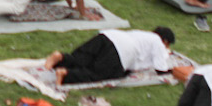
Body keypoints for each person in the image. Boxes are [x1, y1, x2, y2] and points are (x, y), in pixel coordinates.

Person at [44, 27, 176, 85]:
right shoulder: (158, 42)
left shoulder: (142, 34)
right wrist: (172, 69)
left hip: (108, 35)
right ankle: (66, 74)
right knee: (98, 73)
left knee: (84, 58)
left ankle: (61, 57)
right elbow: (160, 68)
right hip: (121, 51)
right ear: (165, 41)